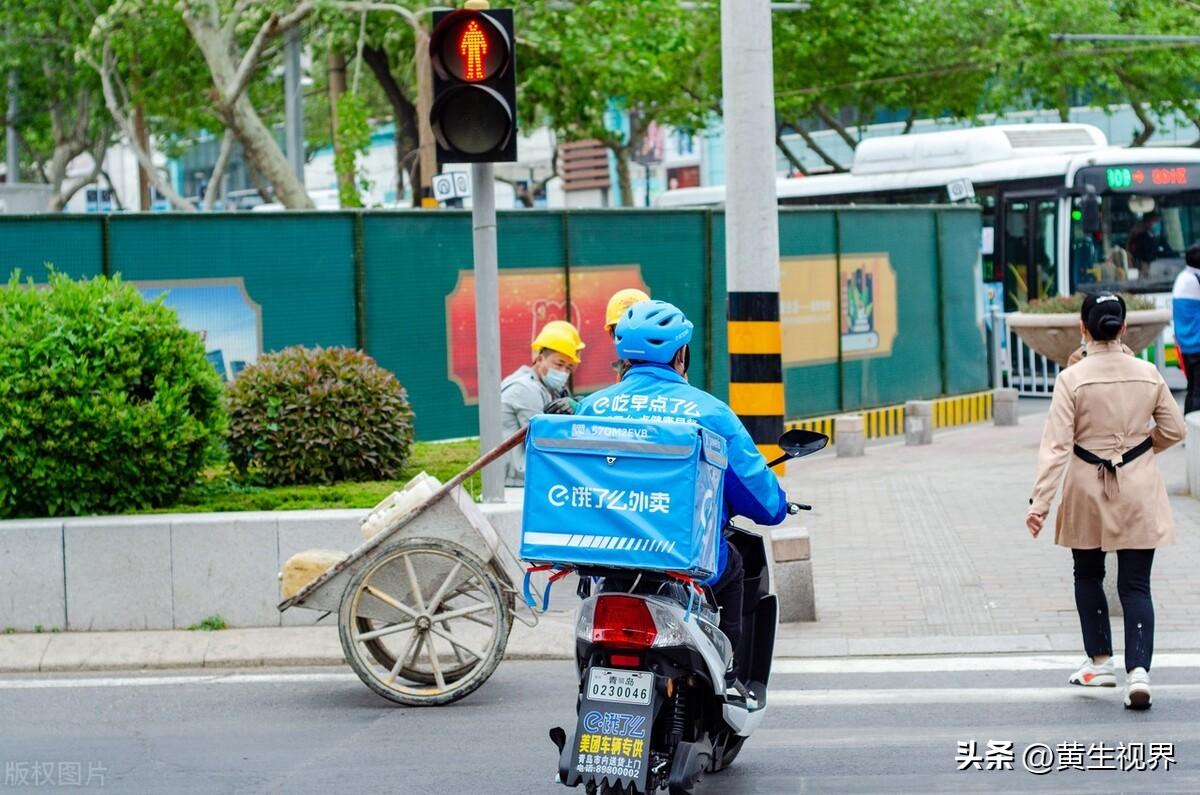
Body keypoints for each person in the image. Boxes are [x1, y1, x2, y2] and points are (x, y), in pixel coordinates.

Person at [575, 300, 787, 704]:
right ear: (681, 354)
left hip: (607, 558)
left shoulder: (592, 408)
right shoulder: (710, 413)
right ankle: (730, 677)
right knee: (735, 563)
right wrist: (778, 503)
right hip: (681, 560)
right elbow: (764, 503)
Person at [1027, 293, 1185, 711]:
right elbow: (1175, 428)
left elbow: (1056, 447)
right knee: (1135, 584)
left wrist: (1039, 504)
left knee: (1088, 573)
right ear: (1125, 329)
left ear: (1083, 329)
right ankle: (1139, 673)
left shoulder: (1072, 380)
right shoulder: (1147, 373)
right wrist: (1139, 451)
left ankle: (1100, 662)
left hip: (1085, 486)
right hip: (1138, 485)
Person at [501, 320, 584, 486]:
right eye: (559, 364)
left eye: (569, 368)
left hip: (529, 476)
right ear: (539, 359)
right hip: (516, 482)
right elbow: (545, 439)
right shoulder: (524, 389)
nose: (563, 372)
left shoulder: (547, 387)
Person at [1171, 243, 1200, 414]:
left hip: (1187, 343)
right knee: (1197, 390)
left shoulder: (1184, 277)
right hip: (1196, 344)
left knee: (1193, 388)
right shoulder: (1194, 280)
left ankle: (1190, 429)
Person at [604, 288, 650, 379]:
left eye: (637, 331)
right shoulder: (622, 374)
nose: (631, 340)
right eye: (623, 332)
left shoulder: (673, 373)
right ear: (611, 334)